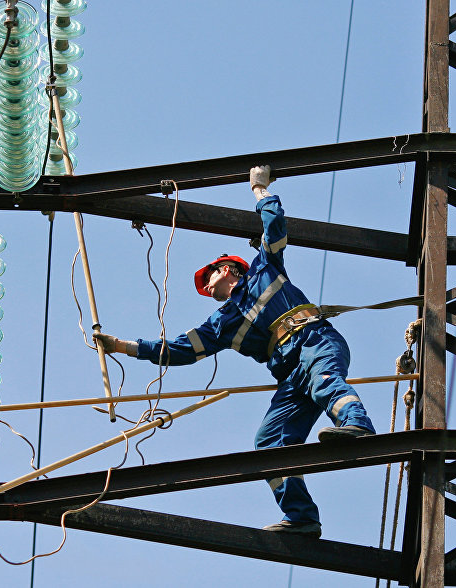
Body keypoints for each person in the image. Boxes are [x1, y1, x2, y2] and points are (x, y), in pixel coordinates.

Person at [95, 166, 375, 538]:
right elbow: (179, 350)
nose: (205, 285)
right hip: (291, 375)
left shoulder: (265, 270)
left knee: (324, 382)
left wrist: (259, 189)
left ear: (228, 269)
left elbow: (274, 225)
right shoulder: (222, 323)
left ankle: (358, 425)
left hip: (314, 341)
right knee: (269, 443)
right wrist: (123, 347)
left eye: (208, 276)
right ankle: (303, 517)